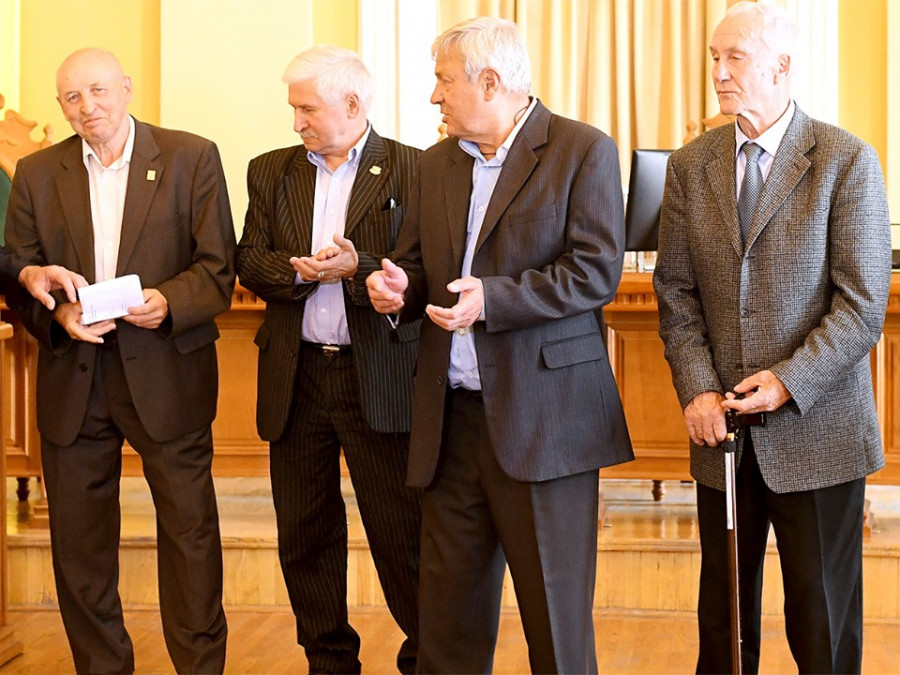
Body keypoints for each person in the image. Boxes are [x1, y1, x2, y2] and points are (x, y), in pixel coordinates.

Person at [367, 17, 633, 674]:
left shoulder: (582, 150)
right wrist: (398, 288)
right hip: (451, 423)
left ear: (489, 83)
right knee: (446, 630)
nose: (434, 96)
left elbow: (595, 272)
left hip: (547, 422)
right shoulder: (436, 163)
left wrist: (494, 299)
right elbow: (420, 268)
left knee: (556, 632)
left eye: (443, 81)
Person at [653, 3, 892, 673]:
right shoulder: (689, 165)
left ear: (782, 66)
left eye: (735, 58)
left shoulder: (846, 159)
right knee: (724, 631)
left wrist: (788, 380)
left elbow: (862, 305)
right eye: (715, 58)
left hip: (820, 433)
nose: (719, 73)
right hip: (722, 435)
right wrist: (698, 389)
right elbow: (675, 292)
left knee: (822, 628)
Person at [4, 48, 234, 674]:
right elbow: (19, 276)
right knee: (79, 549)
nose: (88, 107)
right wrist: (57, 313)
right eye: (72, 98)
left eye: (99, 90)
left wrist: (168, 301)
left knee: (189, 538)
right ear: (61, 106)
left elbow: (217, 269)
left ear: (127, 88)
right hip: (74, 380)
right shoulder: (36, 173)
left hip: (167, 371)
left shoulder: (191, 157)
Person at [235, 46, 422, 674]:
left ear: (353, 103)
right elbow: (248, 258)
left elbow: (424, 268)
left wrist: (357, 267)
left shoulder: (414, 168)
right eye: (293, 109)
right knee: (305, 534)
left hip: (380, 377)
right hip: (297, 375)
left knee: (400, 532)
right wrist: (299, 272)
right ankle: (329, 661)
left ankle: (425, 657)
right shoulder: (271, 170)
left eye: (307, 109)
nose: (297, 123)